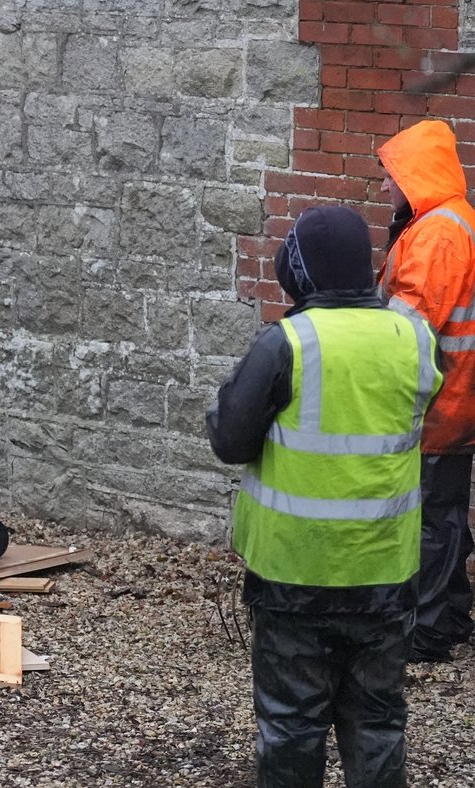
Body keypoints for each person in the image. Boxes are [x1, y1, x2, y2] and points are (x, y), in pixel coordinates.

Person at [207, 205, 441, 788]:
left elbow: (231, 441)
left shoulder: (287, 341)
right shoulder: (412, 337)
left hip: (296, 575)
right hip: (385, 573)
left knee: (291, 725)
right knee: (379, 722)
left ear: (302, 271)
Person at [376, 118, 475, 663]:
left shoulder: (436, 233)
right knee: (446, 512)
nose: (386, 187)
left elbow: (407, 329)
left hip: (437, 402)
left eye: (391, 176)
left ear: (415, 174)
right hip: (456, 397)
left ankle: (432, 630)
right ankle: (451, 614)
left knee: (433, 518)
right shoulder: (455, 221)